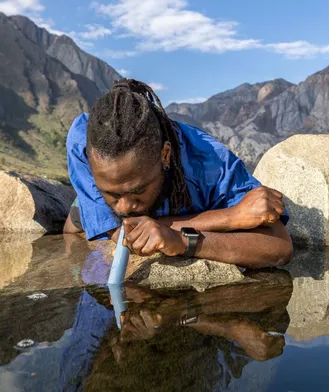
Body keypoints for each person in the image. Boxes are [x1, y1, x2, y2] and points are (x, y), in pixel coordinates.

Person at [64, 78, 293, 268]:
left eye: (137, 190)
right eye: (112, 193)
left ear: (165, 155)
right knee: (73, 230)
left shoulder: (211, 163)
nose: (124, 207)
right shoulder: (84, 142)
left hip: (177, 206)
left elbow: (280, 246)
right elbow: (124, 233)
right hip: (86, 208)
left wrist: (182, 241)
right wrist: (231, 216)